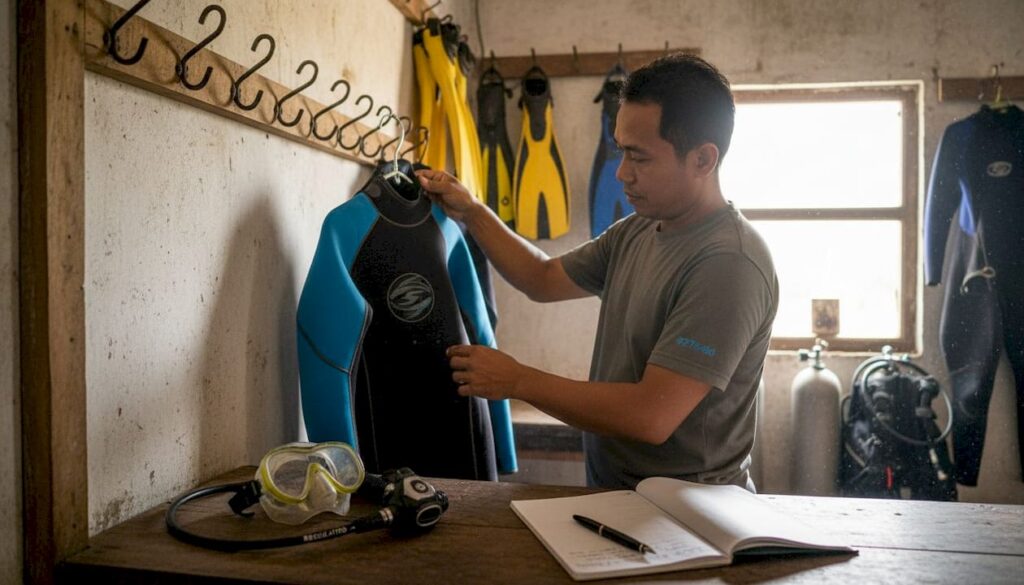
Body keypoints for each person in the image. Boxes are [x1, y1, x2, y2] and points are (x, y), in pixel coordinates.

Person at [415, 54, 778, 491]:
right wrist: (472, 212)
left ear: (702, 159)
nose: (622, 173)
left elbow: (651, 415)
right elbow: (541, 277)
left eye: (639, 158)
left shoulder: (729, 263)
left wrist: (519, 380)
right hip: (619, 495)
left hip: (690, 509)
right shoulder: (638, 229)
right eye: (621, 151)